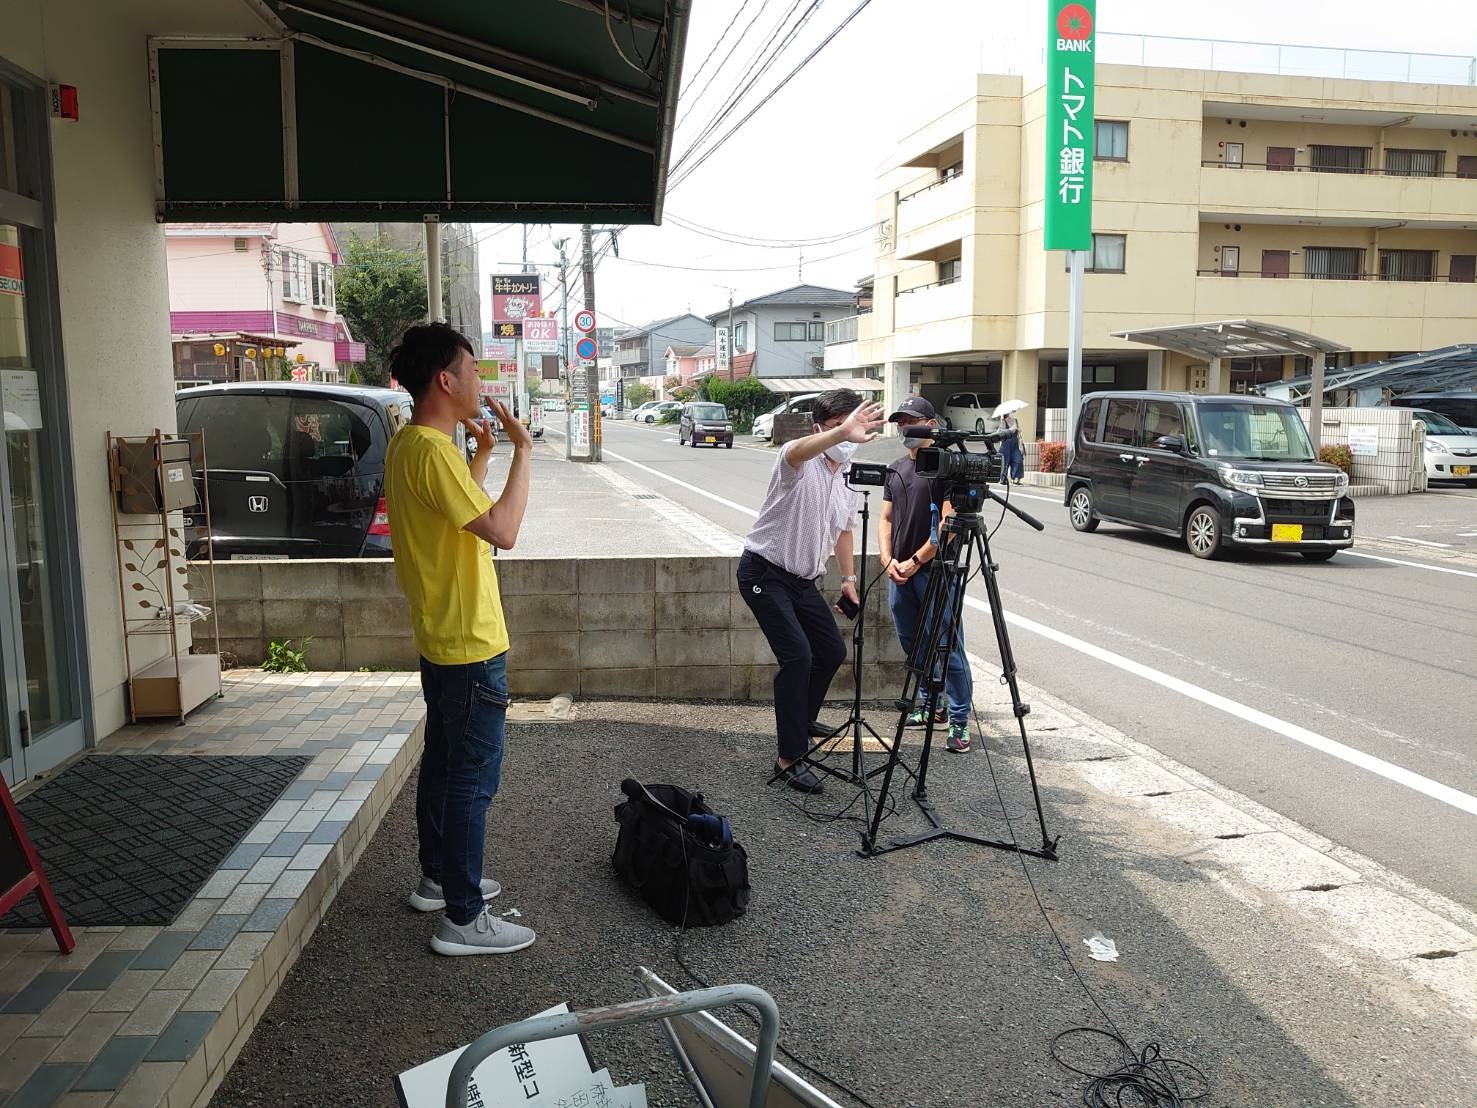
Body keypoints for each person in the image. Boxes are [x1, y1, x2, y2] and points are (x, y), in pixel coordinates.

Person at [382, 322, 538, 957]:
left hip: (442, 637)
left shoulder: (412, 445)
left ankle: (438, 880)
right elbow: (501, 529)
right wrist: (523, 452)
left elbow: (458, 510)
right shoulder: (431, 450)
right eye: (472, 372)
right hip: (470, 643)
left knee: (446, 765)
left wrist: (484, 454)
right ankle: (463, 917)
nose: (481, 383)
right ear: (445, 380)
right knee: (472, 777)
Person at [738, 389, 885, 793]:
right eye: (838, 428)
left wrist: (849, 580)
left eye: (853, 427)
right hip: (764, 572)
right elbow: (795, 451)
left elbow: (842, 531)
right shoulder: (797, 461)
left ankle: (800, 718)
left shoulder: (843, 480)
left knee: (831, 652)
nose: (849, 437)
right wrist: (840, 434)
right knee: (798, 657)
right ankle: (789, 757)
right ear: (820, 428)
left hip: (803, 581)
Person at [878, 396, 975, 753]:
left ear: (932, 425)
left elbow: (948, 523)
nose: (905, 428)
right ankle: (931, 703)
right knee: (911, 641)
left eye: (912, 421)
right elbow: (885, 519)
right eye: (901, 421)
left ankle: (961, 719)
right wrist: (888, 560)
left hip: (935, 569)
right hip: (899, 571)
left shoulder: (948, 469)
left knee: (947, 645)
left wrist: (916, 561)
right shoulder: (896, 468)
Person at [999, 411, 1025, 485]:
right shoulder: (1003, 422)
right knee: (1005, 462)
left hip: (1015, 444)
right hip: (1006, 445)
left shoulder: (1015, 420)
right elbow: (1000, 432)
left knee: (1018, 460)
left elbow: (1018, 433)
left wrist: (1018, 430)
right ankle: (1003, 479)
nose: (1011, 414)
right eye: (1010, 413)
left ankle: (1016, 478)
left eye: (1012, 413)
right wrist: (1010, 430)